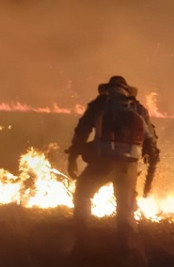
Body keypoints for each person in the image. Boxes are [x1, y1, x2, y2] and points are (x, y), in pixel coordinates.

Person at [66, 75, 160, 251]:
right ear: (127, 90)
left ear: (107, 89)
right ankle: (126, 250)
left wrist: (72, 159)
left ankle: (83, 241)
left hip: (101, 162)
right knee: (125, 209)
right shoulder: (138, 107)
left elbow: (82, 131)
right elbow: (151, 143)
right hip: (128, 166)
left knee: (83, 193)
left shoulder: (100, 104)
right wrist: (149, 178)